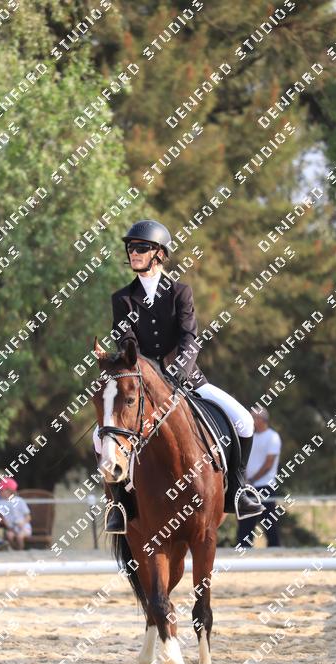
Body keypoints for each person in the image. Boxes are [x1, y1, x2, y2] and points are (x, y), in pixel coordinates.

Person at [92, 219, 264, 533]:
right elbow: (126, 341)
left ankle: (238, 490)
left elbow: (189, 338)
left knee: (244, 421)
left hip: (187, 378)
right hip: (143, 385)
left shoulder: (180, 292)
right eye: (131, 248)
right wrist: (145, 374)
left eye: (141, 247)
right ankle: (119, 502)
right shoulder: (122, 299)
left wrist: (177, 372)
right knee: (98, 436)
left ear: (159, 253)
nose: (133, 253)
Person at [236, 408, 282, 548]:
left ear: (262, 420)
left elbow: (268, 463)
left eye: (254, 417)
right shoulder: (251, 437)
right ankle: (243, 549)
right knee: (245, 522)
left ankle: (275, 550)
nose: (251, 421)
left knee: (269, 522)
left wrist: (253, 479)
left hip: (265, 485)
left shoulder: (272, 437)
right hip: (248, 486)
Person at [0, 478, 32, 550]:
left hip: (24, 527)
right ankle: (15, 550)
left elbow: (28, 516)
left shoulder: (20, 501)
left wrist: (23, 523)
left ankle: (20, 551)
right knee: (9, 535)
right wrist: (1, 521)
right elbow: (1, 517)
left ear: (10, 491)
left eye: (1, 490)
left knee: (19, 537)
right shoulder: (1, 502)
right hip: (11, 528)